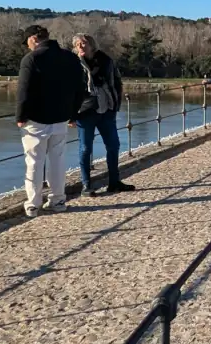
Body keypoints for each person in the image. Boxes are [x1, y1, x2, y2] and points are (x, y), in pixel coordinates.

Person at [16, 25, 86, 217]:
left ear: (32, 39)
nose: (27, 47)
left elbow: (24, 90)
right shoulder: (70, 58)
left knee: (34, 162)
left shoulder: (31, 59)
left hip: (36, 118)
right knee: (58, 160)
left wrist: (20, 116)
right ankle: (58, 200)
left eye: (27, 42)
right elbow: (80, 89)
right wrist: (73, 113)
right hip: (61, 117)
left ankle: (33, 204)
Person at [72, 33, 136, 196]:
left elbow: (117, 81)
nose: (81, 46)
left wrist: (116, 104)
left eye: (84, 43)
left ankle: (114, 182)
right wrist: (71, 114)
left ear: (92, 45)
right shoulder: (73, 63)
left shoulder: (106, 61)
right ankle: (86, 185)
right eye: (77, 44)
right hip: (85, 111)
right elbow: (68, 89)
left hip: (107, 109)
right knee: (85, 148)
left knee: (113, 145)